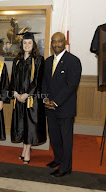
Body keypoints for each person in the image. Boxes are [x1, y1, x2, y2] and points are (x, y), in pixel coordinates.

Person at [42, 32, 82, 177]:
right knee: (54, 136)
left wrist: (56, 102)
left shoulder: (73, 61)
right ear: (51, 43)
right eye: (54, 41)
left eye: (59, 41)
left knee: (66, 139)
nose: (56, 44)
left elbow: (71, 85)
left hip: (65, 108)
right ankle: (58, 159)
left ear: (64, 42)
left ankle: (66, 167)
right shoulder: (47, 61)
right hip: (49, 107)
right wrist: (46, 99)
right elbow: (44, 82)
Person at [10, 32, 46, 164]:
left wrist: (26, 94)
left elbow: (37, 80)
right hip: (19, 99)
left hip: (32, 99)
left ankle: (26, 152)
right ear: (21, 44)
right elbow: (13, 79)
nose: (27, 45)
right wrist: (15, 93)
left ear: (33, 44)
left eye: (29, 43)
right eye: (24, 43)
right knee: (23, 124)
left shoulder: (38, 60)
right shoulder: (17, 60)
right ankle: (24, 149)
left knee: (30, 125)